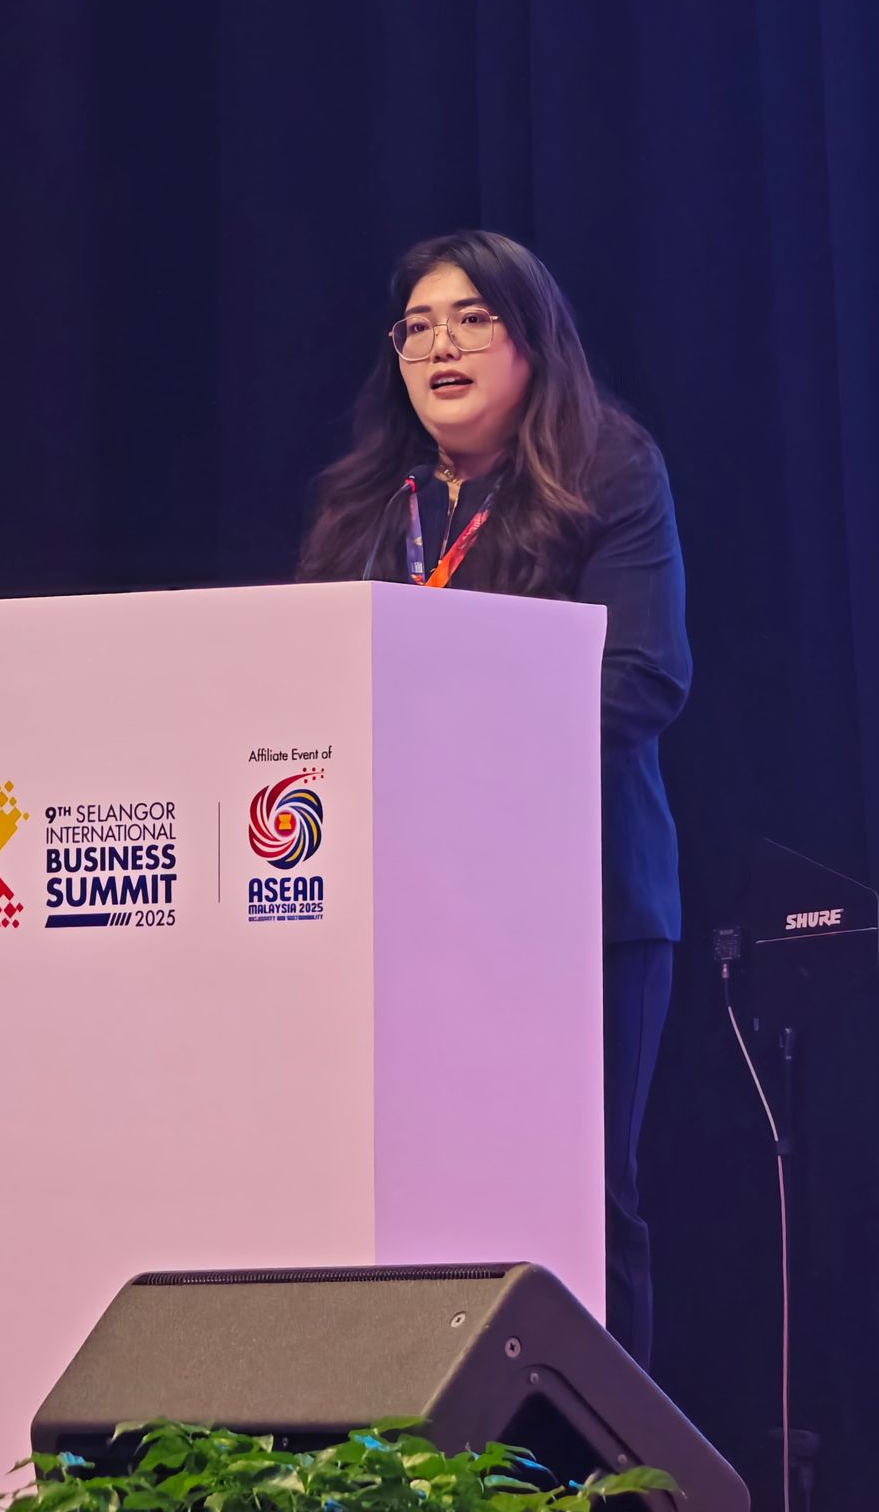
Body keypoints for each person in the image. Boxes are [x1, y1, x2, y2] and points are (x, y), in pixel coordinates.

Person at [299, 229, 692, 1371]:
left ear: (532, 338)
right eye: (417, 327)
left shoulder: (607, 473)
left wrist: (447, 737)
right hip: (398, 917)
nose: (441, 347)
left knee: (576, 1203)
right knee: (405, 1200)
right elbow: (305, 680)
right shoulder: (364, 503)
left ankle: (607, 1462)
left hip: (578, 910)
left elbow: (644, 679)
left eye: (472, 319)